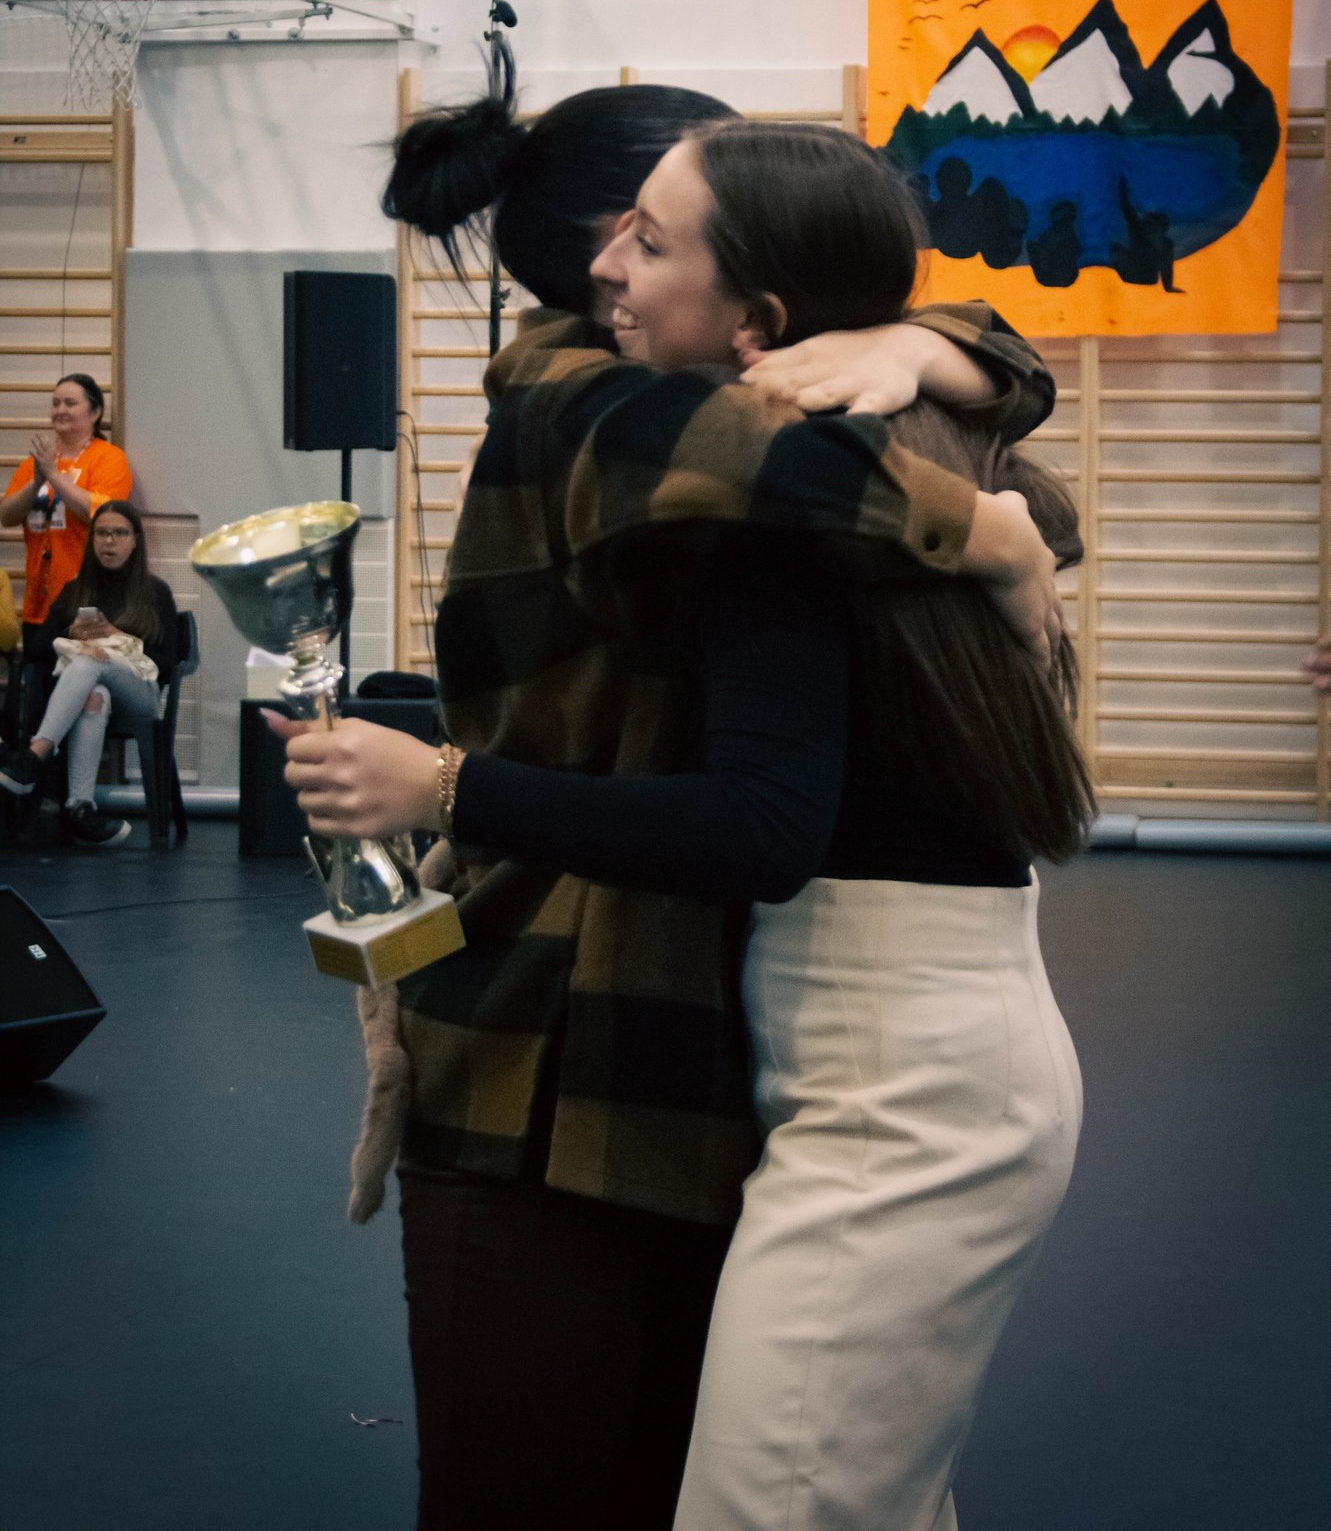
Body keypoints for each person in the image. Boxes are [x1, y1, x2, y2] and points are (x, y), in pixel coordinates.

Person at [270, 83, 1072, 1531]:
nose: (619, 264)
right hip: (555, 1040)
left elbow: (1003, 467)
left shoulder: (773, 434)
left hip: (688, 1050)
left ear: (753, 302)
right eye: (631, 230)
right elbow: (948, 497)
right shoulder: (610, 414)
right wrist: (985, 518)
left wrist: (922, 349)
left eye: (659, 236)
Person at [0, 500, 177, 847]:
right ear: (92, 539)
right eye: (102, 533)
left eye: (119, 533)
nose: (109, 541)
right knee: (95, 696)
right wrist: (71, 633)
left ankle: (34, 756)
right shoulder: (75, 590)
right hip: (88, 694)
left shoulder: (155, 592)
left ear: (135, 540)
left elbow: (168, 664)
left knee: (89, 662)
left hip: (141, 693)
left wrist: (113, 635)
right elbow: (35, 651)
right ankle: (79, 808)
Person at [0, 373, 134, 632]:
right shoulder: (35, 463)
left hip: (87, 601)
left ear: (95, 413)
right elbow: (6, 516)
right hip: (37, 605)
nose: (60, 410)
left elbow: (102, 516)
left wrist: (53, 476)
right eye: (55, 403)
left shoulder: (109, 458)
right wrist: (36, 482)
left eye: (70, 403)